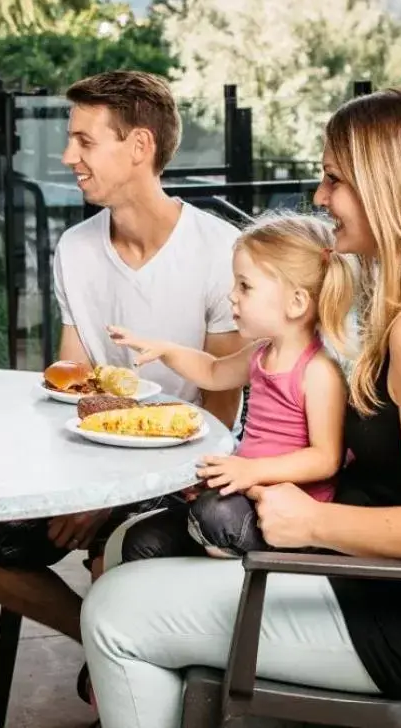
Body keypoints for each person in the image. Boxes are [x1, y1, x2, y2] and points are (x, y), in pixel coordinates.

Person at [81, 87, 401, 728]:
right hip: (372, 589)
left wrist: (311, 524)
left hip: (399, 621)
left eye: (334, 178)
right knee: (143, 551)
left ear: (389, 189)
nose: (320, 197)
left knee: (114, 611)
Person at [0, 70, 247, 702]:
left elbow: (222, 412)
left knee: (113, 556)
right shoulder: (76, 247)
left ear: (139, 147)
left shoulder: (221, 251)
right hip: (93, 455)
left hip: (181, 474)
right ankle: (104, 647)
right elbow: (72, 382)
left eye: (85, 141)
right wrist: (73, 480)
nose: (67, 157)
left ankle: (129, 673)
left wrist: (111, 490)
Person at [106, 212, 350, 560]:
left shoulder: (318, 371)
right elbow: (212, 371)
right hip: (243, 494)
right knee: (140, 540)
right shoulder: (260, 354)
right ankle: (206, 538)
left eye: (245, 286)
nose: (231, 296)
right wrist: (165, 350)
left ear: (296, 302)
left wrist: (249, 471)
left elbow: (325, 459)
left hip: (281, 511)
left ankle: (215, 542)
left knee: (214, 515)